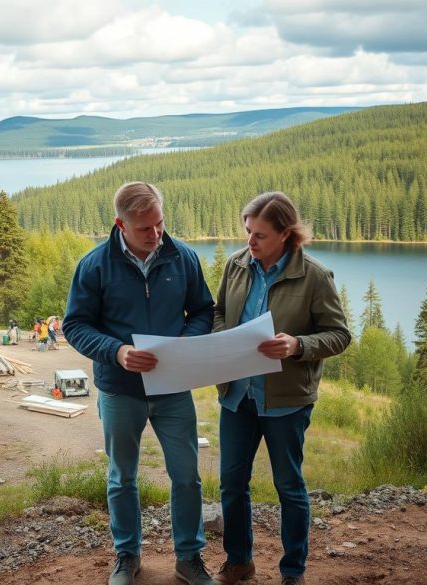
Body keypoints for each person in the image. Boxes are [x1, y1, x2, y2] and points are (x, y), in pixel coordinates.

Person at [63, 181, 216, 585]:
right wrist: (117, 352)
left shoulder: (182, 257)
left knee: (186, 476)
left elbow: (202, 309)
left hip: (173, 388)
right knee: (122, 477)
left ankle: (189, 558)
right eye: (145, 229)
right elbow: (75, 325)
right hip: (119, 389)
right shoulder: (94, 265)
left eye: (161, 224)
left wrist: (184, 344)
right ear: (120, 225)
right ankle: (126, 557)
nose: (156, 235)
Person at [211, 192, 351, 585]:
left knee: (289, 487)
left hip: (286, 401)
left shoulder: (316, 277)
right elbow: (219, 311)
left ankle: (293, 572)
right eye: (247, 232)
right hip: (237, 396)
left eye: (259, 235)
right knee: (231, 485)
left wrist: (297, 346)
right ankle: (239, 563)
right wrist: (226, 339)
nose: (249, 242)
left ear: (286, 235)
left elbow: (339, 335)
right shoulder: (236, 265)